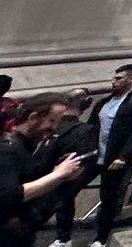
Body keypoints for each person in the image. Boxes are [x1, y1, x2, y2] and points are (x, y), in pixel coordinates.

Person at [0, 93, 87, 247]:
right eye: (52, 121)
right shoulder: (6, 151)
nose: (54, 128)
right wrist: (58, 174)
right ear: (33, 117)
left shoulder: (23, 149)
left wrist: (62, 176)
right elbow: (10, 196)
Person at [86, 64, 132, 247]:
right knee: (70, 188)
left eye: (119, 78)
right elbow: (92, 126)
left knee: (108, 198)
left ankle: (101, 238)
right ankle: (64, 235)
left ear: (130, 79)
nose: (113, 82)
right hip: (95, 154)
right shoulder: (105, 101)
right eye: (114, 78)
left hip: (114, 157)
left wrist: (123, 156)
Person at [30, 90, 96, 247]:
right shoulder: (55, 124)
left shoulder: (81, 130)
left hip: (54, 182)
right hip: (42, 177)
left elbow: (78, 163)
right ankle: (64, 237)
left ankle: (64, 237)